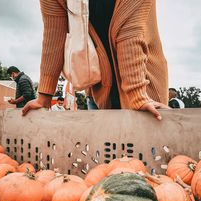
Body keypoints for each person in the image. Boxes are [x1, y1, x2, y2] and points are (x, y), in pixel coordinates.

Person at [22, 0, 169, 120]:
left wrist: (137, 95)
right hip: (99, 84)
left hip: (142, 77)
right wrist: (44, 96)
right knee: (108, 149)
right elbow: (54, 36)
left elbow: (130, 31)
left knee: (143, 148)